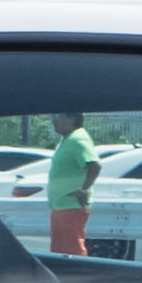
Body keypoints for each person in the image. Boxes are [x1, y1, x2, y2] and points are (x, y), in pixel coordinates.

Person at [41, 110, 100, 257]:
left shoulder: (78, 138)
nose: (53, 121)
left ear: (72, 117)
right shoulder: (67, 139)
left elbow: (94, 165)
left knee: (73, 251)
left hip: (71, 205)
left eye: (56, 117)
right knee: (60, 252)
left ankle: (79, 278)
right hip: (61, 206)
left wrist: (83, 189)